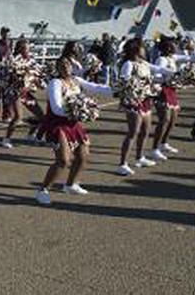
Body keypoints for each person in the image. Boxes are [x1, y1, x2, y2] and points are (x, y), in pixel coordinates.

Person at [35, 57, 114, 204]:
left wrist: (117, 90)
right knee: (63, 160)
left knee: (83, 155)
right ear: (57, 69)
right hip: (57, 124)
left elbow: (96, 88)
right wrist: (78, 112)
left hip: (72, 122)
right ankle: (43, 190)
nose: (65, 68)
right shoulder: (55, 83)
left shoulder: (76, 80)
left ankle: (71, 185)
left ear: (72, 67)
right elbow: (56, 108)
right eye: (61, 66)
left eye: (67, 65)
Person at [117, 38, 174, 176]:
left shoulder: (144, 63)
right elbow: (124, 81)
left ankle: (139, 158)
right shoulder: (129, 64)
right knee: (133, 132)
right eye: (143, 47)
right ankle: (122, 164)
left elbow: (159, 70)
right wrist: (138, 89)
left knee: (145, 130)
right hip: (133, 100)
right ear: (136, 49)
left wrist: (173, 74)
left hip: (146, 100)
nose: (145, 50)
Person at [150, 39, 195, 160]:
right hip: (163, 91)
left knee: (173, 120)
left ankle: (163, 143)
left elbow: (190, 58)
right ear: (168, 48)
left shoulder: (173, 57)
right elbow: (156, 76)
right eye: (173, 45)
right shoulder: (161, 60)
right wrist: (170, 78)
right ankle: (154, 149)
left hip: (172, 91)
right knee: (164, 120)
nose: (176, 46)